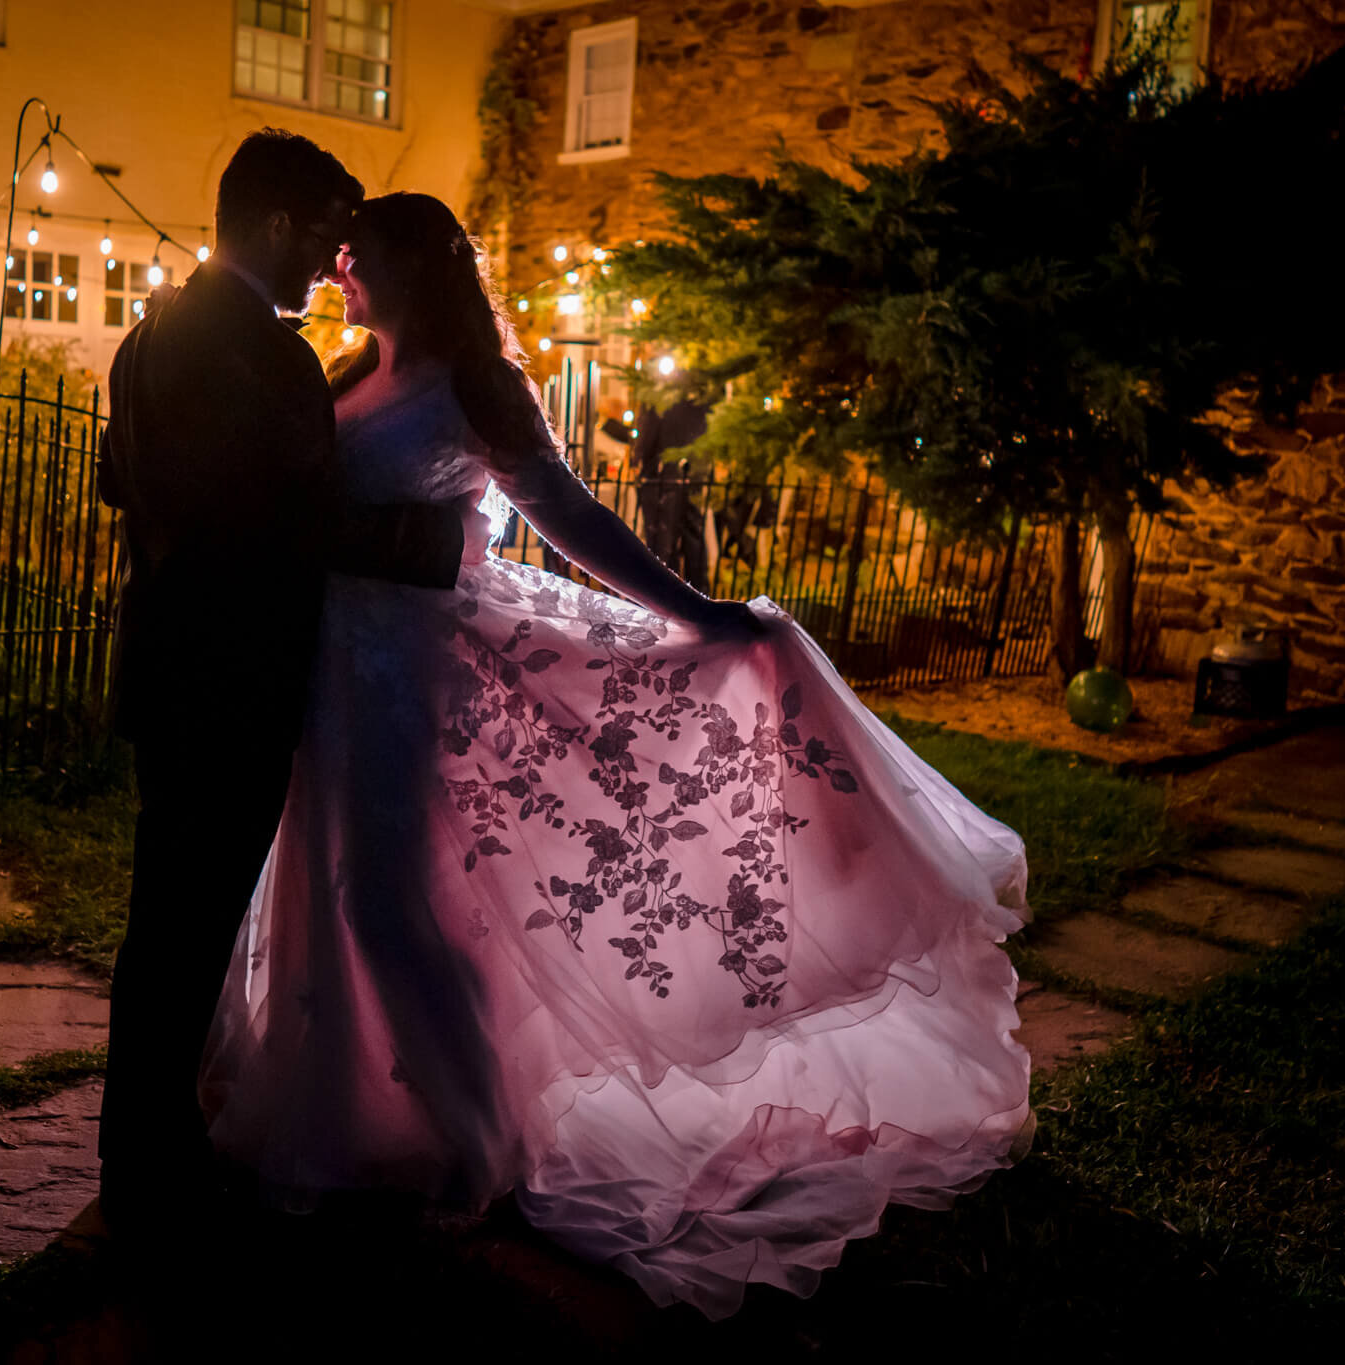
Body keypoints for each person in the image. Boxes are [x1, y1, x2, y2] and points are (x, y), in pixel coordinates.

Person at [197, 192, 1035, 1320]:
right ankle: (356, 1117)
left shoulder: (477, 385)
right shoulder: (343, 378)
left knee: (393, 906)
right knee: (328, 896)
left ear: (415, 265)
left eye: (363, 254)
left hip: (410, 678)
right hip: (326, 674)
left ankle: (473, 1141)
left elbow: (568, 517)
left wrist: (691, 609)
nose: (341, 267)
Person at [93, 135, 486, 1229]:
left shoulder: (151, 331)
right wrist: (436, 544)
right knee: (188, 925)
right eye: (322, 230)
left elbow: (113, 477)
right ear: (275, 224)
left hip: (168, 662)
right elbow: (289, 518)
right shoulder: (263, 359)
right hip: (231, 677)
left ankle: (142, 1151)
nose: (331, 259)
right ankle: (152, 1172)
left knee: (165, 922)